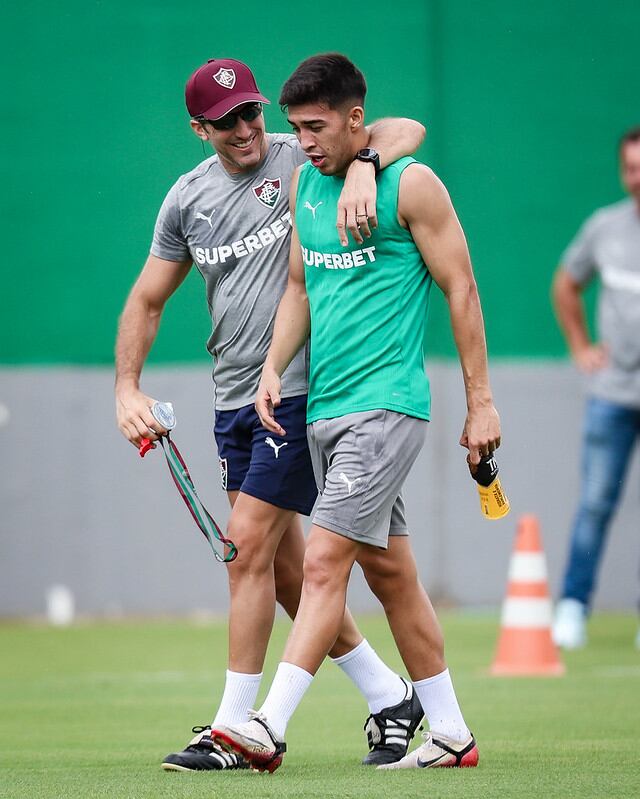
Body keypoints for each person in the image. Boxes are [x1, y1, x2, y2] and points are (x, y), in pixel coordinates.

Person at [115, 57, 428, 771]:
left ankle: (236, 727)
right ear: (199, 129)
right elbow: (147, 299)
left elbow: (406, 127)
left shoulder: (302, 155)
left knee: (245, 546)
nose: (246, 128)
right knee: (285, 573)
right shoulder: (186, 199)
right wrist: (127, 389)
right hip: (234, 399)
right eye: (225, 121)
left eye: (251, 112)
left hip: (304, 391)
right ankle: (391, 696)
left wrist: (364, 167)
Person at [212, 52, 501, 772]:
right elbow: (298, 288)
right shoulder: (305, 184)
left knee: (322, 562)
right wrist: (272, 367)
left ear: (354, 119)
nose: (303, 141)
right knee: (389, 572)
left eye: (316, 127)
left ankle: (267, 726)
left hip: (386, 406)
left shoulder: (412, 184)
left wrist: (482, 403)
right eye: (295, 128)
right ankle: (451, 733)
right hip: (325, 411)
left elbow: (462, 288)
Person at [551, 126, 640, 650]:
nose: (637, 177)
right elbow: (566, 284)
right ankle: (573, 608)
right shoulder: (605, 228)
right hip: (612, 395)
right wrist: (582, 347)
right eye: (630, 168)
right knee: (596, 501)